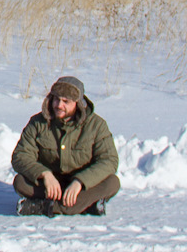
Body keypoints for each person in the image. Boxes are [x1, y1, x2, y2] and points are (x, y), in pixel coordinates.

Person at [10, 75, 120, 217]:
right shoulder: (38, 122)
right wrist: (45, 174)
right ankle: (86, 206)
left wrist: (80, 181)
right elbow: (20, 156)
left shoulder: (96, 125)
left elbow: (109, 160)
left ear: (78, 103)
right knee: (20, 182)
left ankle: (43, 207)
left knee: (112, 183)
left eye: (65, 101)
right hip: (50, 186)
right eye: (56, 99)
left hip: (81, 188)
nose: (59, 105)